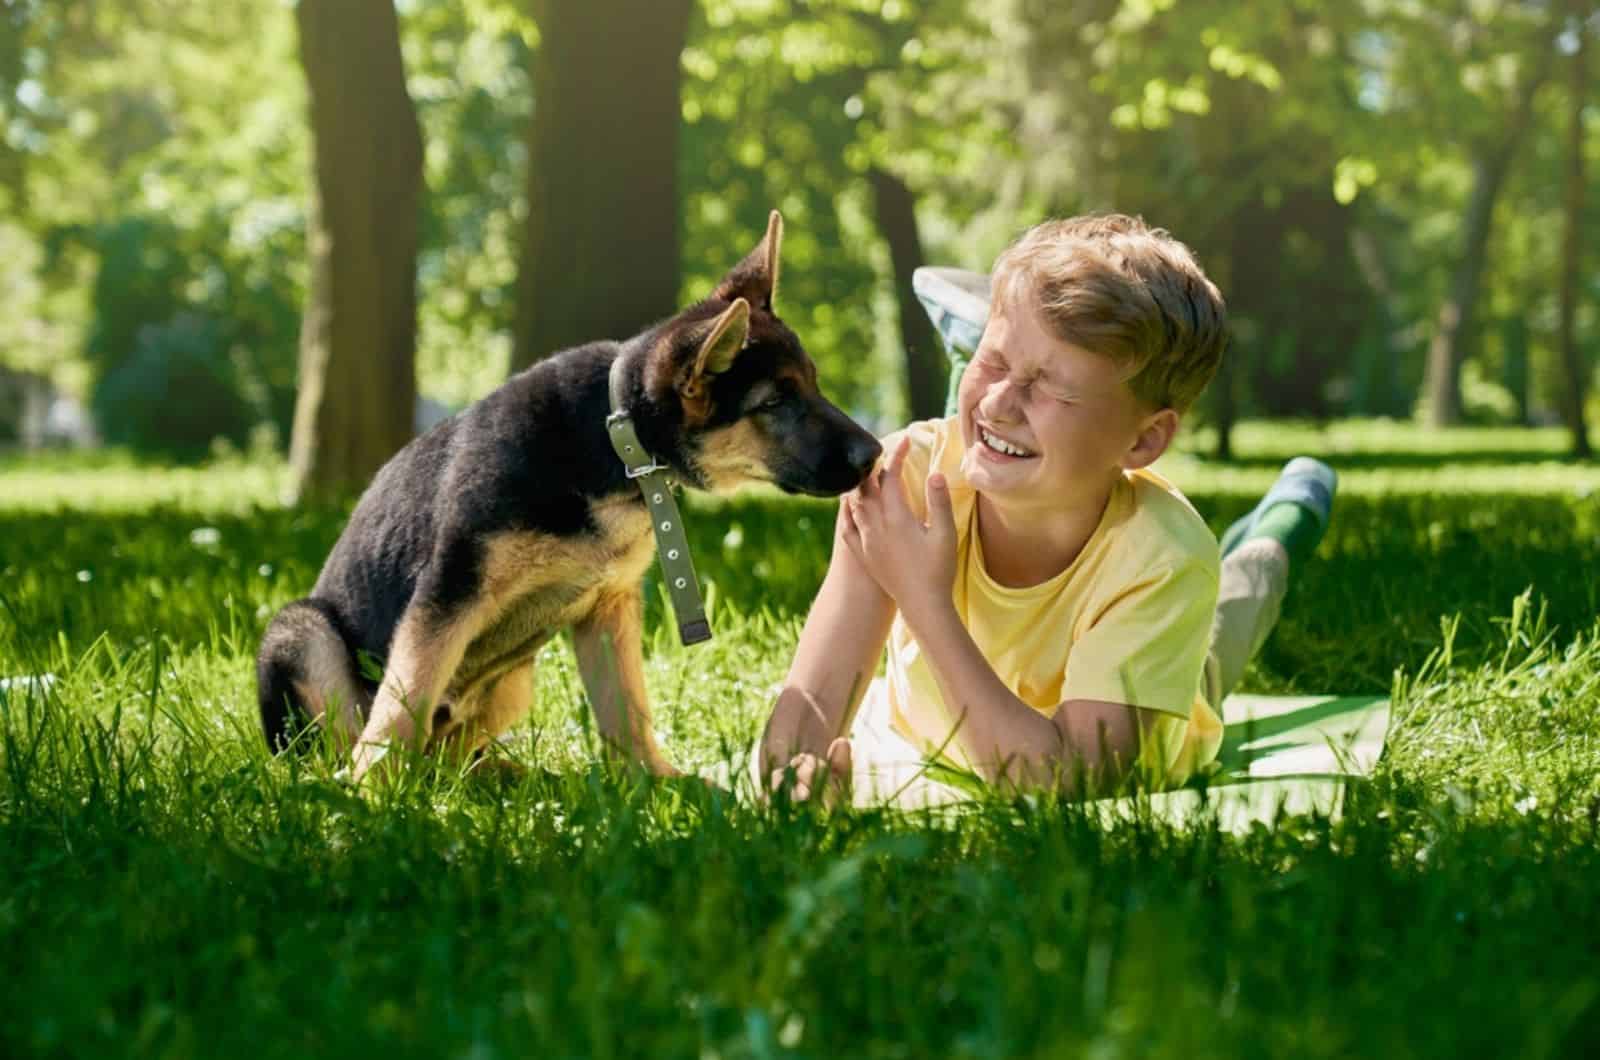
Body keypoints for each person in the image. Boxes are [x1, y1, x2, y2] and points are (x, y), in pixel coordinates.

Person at [753, 214, 1336, 807]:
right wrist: (792, 776)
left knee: (1239, 603)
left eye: (1053, 388)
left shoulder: (1164, 560)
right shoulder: (906, 478)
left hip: (1162, 694)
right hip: (949, 727)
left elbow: (1062, 781)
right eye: (996, 361)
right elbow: (815, 696)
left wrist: (922, 597)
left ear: (1143, 441)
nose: (1001, 403)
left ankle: (1288, 516)